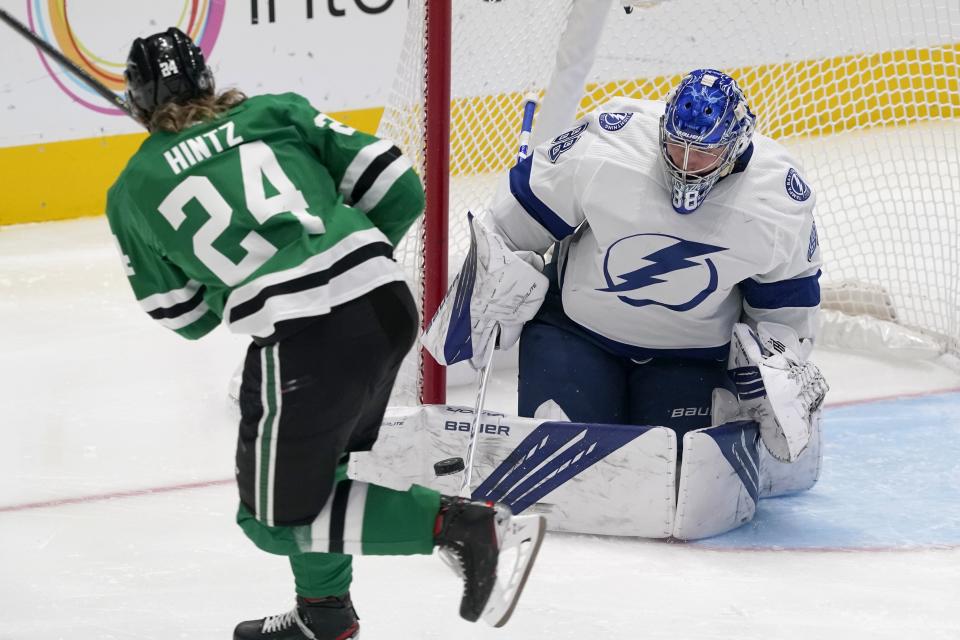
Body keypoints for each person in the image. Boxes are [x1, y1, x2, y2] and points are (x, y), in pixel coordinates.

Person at [106, 28, 545, 639]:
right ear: (207, 80)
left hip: (305, 340)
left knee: (271, 519)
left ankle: (467, 527)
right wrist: (345, 261)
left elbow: (183, 318)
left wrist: (235, 282)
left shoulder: (133, 188)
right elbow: (398, 186)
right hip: (385, 304)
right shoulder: (272, 112)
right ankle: (324, 614)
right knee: (326, 471)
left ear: (136, 104)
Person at [479, 69, 826, 453]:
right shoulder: (609, 146)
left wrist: (775, 370)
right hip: (576, 334)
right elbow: (518, 220)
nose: (686, 163)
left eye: (704, 153)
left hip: (692, 360)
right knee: (561, 460)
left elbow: (786, 309)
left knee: (675, 474)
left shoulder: (777, 200)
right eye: (678, 146)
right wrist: (497, 276)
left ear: (734, 146)